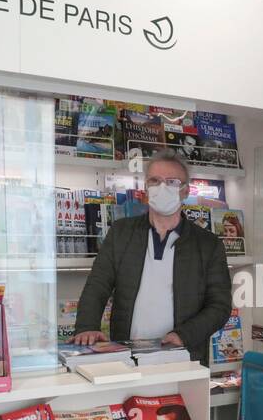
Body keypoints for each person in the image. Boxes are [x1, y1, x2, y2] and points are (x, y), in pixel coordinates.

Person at [72, 150, 233, 364]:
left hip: (183, 356)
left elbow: (219, 305)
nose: (162, 187)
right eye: (155, 181)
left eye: (172, 182)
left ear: (185, 191)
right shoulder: (121, 233)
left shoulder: (208, 245)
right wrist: (86, 327)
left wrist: (183, 336)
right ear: (146, 188)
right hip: (126, 355)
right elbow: (97, 285)